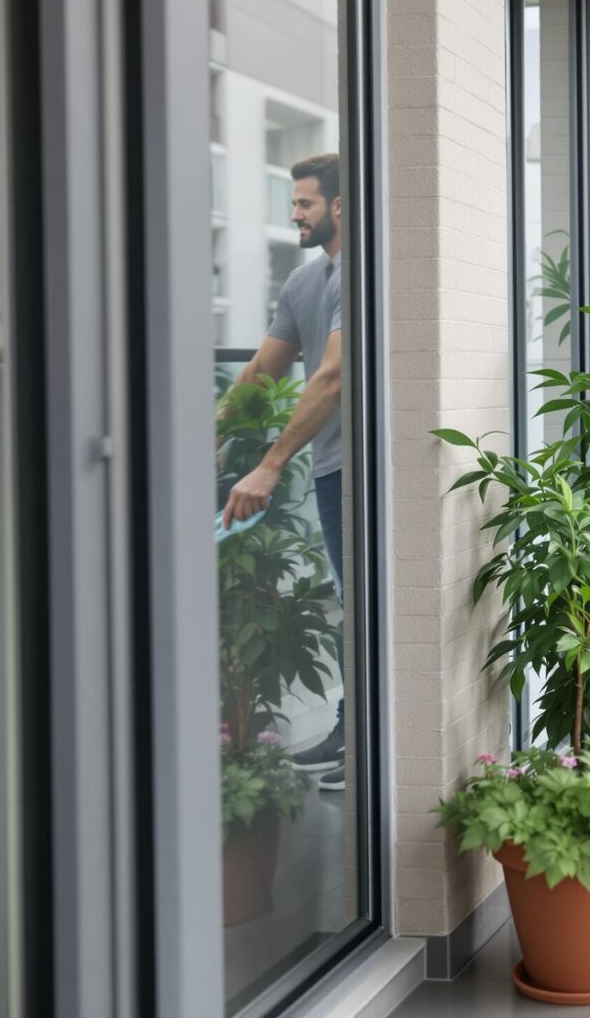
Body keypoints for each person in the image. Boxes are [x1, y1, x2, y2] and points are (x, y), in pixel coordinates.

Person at [219, 151, 349, 792]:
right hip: (330, 468)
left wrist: (270, 466)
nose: (293, 213)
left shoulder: (360, 272)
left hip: (367, 472)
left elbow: (332, 375)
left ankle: (361, 736)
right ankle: (351, 729)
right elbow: (257, 374)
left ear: (339, 207)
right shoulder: (304, 282)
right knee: (353, 603)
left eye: (303, 203)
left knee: (363, 604)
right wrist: (207, 437)